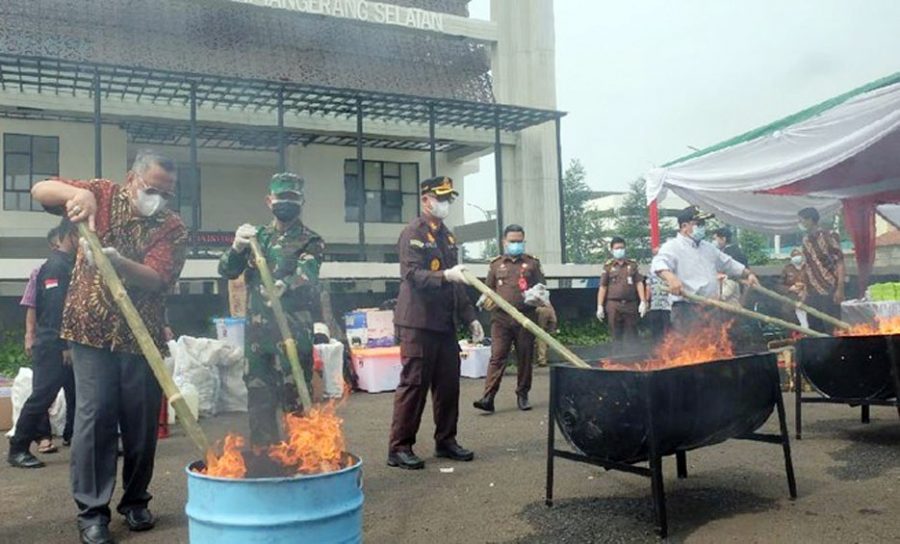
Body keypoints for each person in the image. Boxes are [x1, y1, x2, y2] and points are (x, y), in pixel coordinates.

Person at [31, 149, 187, 544]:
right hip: (90, 330)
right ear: (131, 179)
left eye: (167, 194)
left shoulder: (171, 226)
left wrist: (119, 264)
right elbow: (40, 189)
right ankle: (92, 512)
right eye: (153, 189)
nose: (159, 199)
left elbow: (157, 277)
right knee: (95, 416)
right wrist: (74, 194)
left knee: (140, 422)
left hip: (141, 337)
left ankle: (135, 501)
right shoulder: (99, 194)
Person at [219, 173, 324, 448]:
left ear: (302, 202)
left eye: (293, 198)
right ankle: (266, 460)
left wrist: (284, 286)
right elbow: (227, 271)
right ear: (269, 201)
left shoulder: (311, 239)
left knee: (297, 400)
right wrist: (236, 247)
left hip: (293, 334)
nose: (287, 203)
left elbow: (308, 273)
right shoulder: (257, 238)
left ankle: (303, 460)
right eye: (281, 198)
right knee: (259, 400)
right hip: (258, 337)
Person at [388, 176, 483, 470]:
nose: (445, 204)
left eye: (449, 199)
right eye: (440, 198)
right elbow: (412, 275)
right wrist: (445, 276)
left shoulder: (448, 236)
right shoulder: (412, 233)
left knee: (448, 386)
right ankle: (400, 447)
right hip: (418, 323)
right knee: (414, 385)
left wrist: (471, 318)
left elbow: (457, 284)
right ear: (425, 199)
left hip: (444, 324)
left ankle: (446, 441)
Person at [7, 221, 78, 469]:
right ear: (71, 235)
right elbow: (54, 310)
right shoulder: (56, 267)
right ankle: (18, 449)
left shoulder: (68, 264)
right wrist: (64, 345)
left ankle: (81, 442)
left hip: (64, 343)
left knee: (79, 395)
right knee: (43, 396)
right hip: (53, 345)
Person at [473, 224, 546, 413]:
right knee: (497, 357)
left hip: (525, 318)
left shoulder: (532, 263)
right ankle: (488, 397)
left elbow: (542, 288)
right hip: (501, 319)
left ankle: (523, 395)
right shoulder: (496, 264)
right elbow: (488, 290)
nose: (516, 244)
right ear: (504, 242)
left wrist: (537, 296)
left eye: (519, 241)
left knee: (525, 357)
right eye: (513, 241)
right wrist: (484, 300)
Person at [652, 207, 759, 334]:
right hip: (687, 309)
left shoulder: (708, 247)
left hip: (711, 307)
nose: (703, 227)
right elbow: (658, 263)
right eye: (699, 224)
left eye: (703, 224)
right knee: (689, 349)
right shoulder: (672, 247)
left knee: (715, 347)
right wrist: (671, 278)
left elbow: (729, 263)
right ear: (684, 226)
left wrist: (749, 274)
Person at [797, 207, 845, 333]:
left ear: (811, 220)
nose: (800, 223)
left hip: (829, 288)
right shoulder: (805, 240)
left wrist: (840, 289)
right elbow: (806, 266)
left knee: (832, 326)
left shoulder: (828, 236)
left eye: (802, 220)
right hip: (812, 291)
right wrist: (804, 290)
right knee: (813, 326)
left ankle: (836, 351)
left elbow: (839, 262)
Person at [595, 237, 647, 348]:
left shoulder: (632, 265)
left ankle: (632, 358)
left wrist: (643, 301)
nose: (620, 250)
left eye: (622, 248)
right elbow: (603, 287)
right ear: (612, 250)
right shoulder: (608, 266)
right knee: (615, 333)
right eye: (617, 248)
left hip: (630, 304)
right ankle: (616, 359)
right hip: (614, 305)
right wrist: (599, 306)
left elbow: (639, 283)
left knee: (632, 334)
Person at [645, 247, 671, 345]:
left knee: (668, 329)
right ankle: (656, 349)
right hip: (655, 305)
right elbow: (648, 286)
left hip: (668, 305)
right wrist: (646, 301)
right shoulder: (651, 270)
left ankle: (668, 347)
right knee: (655, 329)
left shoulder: (670, 269)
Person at [779, 248, 809, 328]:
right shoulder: (787, 269)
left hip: (808, 296)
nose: (796, 257)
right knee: (786, 311)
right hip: (791, 296)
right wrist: (790, 288)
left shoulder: (808, 268)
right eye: (794, 255)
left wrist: (805, 289)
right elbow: (779, 285)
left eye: (798, 255)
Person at [534, 301, 558, 367]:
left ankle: (542, 360)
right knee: (542, 339)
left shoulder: (540, 309)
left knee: (541, 338)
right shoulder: (549, 308)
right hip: (547, 316)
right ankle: (542, 359)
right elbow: (554, 320)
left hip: (539, 322)